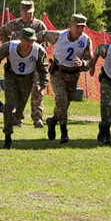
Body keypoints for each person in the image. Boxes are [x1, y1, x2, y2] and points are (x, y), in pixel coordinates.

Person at [0, 28, 49, 149]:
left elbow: (44, 69)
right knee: (10, 106)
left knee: (18, 115)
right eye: (27, 41)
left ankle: (0, 107)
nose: (29, 44)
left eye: (32, 41)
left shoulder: (39, 51)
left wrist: (42, 86)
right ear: (21, 39)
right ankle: (7, 137)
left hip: (28, 79)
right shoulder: (8, 47)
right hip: (12, 77)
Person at [39, 14, 93, 143]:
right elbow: (41, 35)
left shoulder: (86, 40)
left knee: (64, 104)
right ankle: (64, 132)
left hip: (73, 75)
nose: (80, 30)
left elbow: (89, 60)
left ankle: (52, 121)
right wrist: (36, 49)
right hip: (58, 72)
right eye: (78, 27)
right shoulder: (59, 36)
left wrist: (83, 64)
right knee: (61, 100)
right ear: (71, 26)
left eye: (83, 27)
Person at [0, 0, 47, 128]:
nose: (28, 15)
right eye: (26, 13)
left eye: (30, 13)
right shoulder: (15, 24)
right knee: (17, 93)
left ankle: (37, 118)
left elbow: (46, 40)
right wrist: (8, 44)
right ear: (21, 12)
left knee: (37, 90)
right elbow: (1, 32)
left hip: (33, 62)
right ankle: (16, 118)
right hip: (16, 62)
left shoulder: (39, 26)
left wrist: (39, 48)